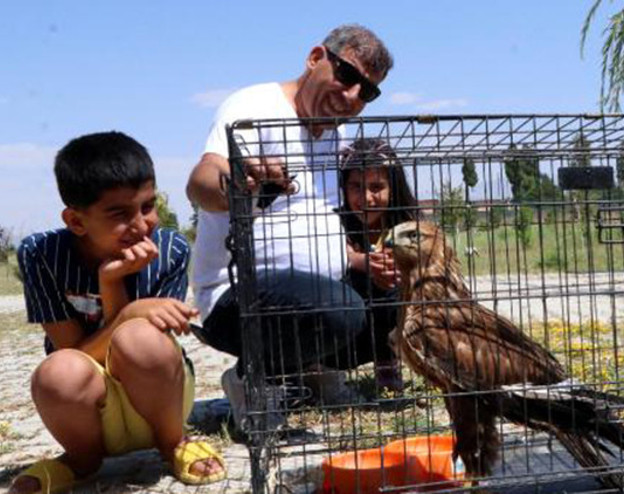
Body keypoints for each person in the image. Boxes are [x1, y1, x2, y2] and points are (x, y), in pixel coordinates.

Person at [186, 24, 393, 421]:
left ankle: (315, 370)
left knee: (401, 297)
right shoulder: (253, 107)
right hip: (239, 299)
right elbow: (201, 182)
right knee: (341, 309)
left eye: (367, 92)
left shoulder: (335, 135)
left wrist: (360, 261)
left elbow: (317, 223)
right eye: (347, 75)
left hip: (315, 296)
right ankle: (251, 379)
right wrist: (240, 178)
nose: (352, 96)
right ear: (316, 58)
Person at [10, 132, 226, 494]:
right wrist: (122, 302)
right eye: (119, 214)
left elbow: (148, 357)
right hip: (84, 409)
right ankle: (81, 461)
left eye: (148, 206)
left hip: (159, 403)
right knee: (57, 370)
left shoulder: (170, 249)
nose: (142, 224)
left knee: (141, 338)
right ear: (76, 221)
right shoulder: (41, 254)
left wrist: (124, 309)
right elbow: (73, 353)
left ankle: (174, 444)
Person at [338, 138, 420, 393]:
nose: (366, 198)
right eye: (356, 186)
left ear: (393, 188)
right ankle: (316, 368)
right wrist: (359, 261)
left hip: (388, 324)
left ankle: (387, 361)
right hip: (345, 326)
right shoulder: (334, 223)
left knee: (397, 287)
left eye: (376, 187)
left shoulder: (407, 224)